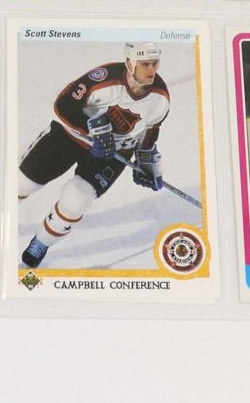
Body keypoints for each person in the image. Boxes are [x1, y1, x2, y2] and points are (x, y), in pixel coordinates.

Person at [17, 43, 170, 267]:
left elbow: (151, 129)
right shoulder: (104, 78)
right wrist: (93, 129)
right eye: (145, 64)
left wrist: (146, 159)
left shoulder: (160, 98)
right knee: (21, 185)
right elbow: (64, 104)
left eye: (154, 64)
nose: (151, 70)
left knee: (77, 198)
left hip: (111, 153)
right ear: (130, 64)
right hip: (68, 137)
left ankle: (42, 242)